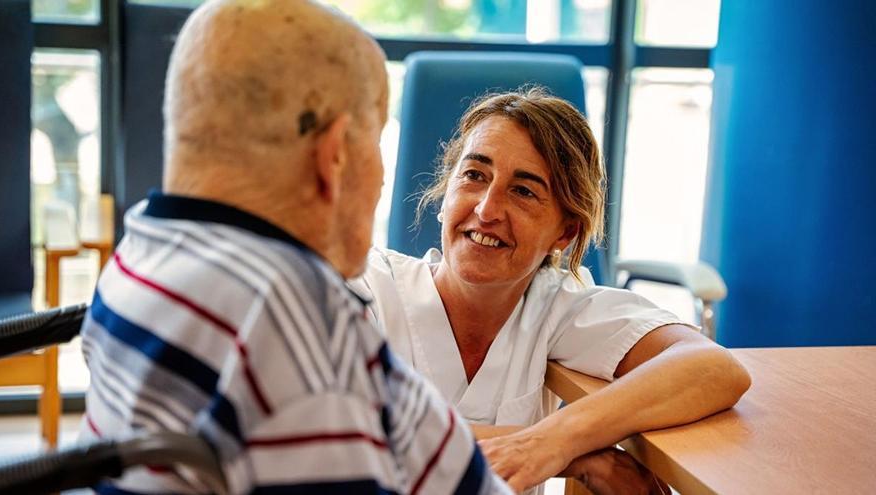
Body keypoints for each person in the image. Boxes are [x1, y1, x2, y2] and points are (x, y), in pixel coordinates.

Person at [78, 1, 510, 493]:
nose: (384, 173)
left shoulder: (143, 251)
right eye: (377, 140)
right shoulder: (285, 323)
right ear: (335, 156)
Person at [353, 88, 752, 493]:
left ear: (565, 232)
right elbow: (351, 436)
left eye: (523, 191)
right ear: (446, 193)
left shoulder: (555, 306)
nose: (487, 210)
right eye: (474, 176)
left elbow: (713, 368)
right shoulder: (367, 286)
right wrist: (578, 455)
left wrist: (556, 439)